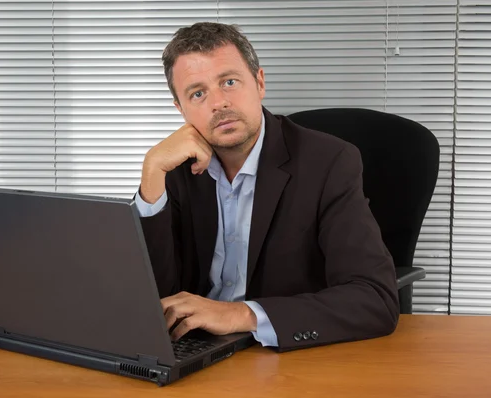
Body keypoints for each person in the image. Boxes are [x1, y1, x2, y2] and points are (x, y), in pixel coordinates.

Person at [135, 22, 399, 352]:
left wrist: (241, 315)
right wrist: (151, 178)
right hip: (196, 352)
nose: (218, 103)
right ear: (181, 109)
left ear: (259, 82)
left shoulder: (329, 162)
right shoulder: (175, 168)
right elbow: (151, 301)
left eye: (229, 82)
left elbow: (375, 298)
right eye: (198, 93)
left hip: (281, 355)